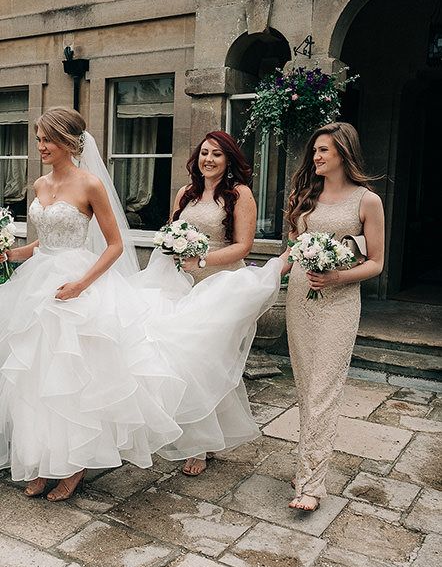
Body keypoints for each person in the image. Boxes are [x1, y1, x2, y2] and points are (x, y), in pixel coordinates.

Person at [0, 110, 282, 499]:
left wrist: (82, 285)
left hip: (78, 283)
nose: (41, 147)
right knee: (36, 374)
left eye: (47, 139)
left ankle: (74, 466)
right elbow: (43, 241)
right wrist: (12, 254)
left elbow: (115, 245)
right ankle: (41, 459)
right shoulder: (38, 184)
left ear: (69, 141)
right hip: (38, 285)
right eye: (38, 139)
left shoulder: (90, 184)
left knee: (74, 377)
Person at [281, 122, 384, 511]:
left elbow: (376, 262)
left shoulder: (367, 201)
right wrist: (259, 279)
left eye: (324, 150)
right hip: (300, 301)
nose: (316, 157)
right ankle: (308, 464)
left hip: (339, 304)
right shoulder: (303, 196)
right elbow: (291, 252)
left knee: (324, 388)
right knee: (307, 389)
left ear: (344, 152)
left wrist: (338, 276)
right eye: (315, 151)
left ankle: (311, 485)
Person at [170, 131, 258, 476]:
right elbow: (171, 233)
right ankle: (193, 430)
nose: (208, 159)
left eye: (217, 155)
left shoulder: (239, 194)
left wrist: (203, 262)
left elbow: (243, 246)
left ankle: (202, 444)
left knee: (210, 362)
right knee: (185, 361)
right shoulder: (185, 193)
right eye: (204, 152)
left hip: (222, 285)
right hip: (184, 284)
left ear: (228, 160)